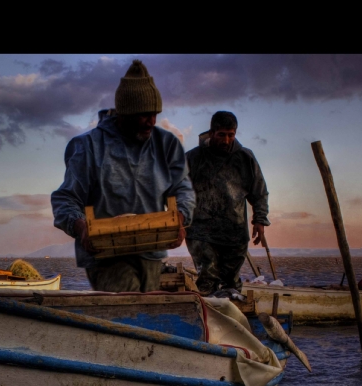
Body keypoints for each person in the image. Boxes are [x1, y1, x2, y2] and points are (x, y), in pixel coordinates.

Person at [51, 60, 195, 292]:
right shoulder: (88, 147)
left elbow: (183, 190)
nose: (152, 121)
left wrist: (180, 216)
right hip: (107, 255)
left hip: (151, 251)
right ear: (125, 113)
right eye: (144, 115)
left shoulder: (166, 145)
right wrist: (81, 227)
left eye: (155, 114)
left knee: (147, 316)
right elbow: (66, 199)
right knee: (128, 305)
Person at [184, 111, 270, 295]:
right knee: (208, 279)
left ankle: (234, 320)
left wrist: (260, 220)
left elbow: (259, 191)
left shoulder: (245, 158)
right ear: (212, 132)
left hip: (234, 232)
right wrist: (179, 222)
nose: (226, 140)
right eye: (221, 134)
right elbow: (177, 190)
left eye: (231, 135)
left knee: (230, 284)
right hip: (201, 231)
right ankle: (207, 320)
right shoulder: (192, 158)